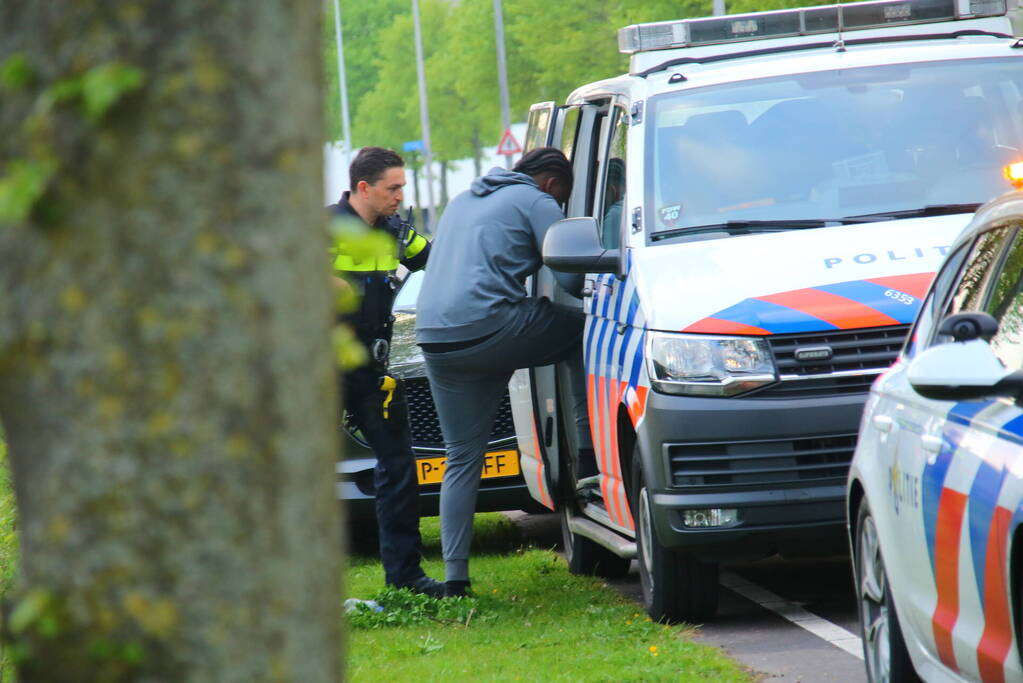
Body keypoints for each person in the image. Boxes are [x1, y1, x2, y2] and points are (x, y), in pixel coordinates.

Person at [415, 147, 591, 597]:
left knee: (461, 456)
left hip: (436, 337)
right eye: (562, 198)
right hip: (490, 325)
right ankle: (588, 455)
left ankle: (456, 580)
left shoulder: (462, 200)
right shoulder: (538, 200)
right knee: (580, 330)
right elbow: (572, 279)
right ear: (552, 183)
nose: (558, 206)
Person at [330, 147, 443, 598]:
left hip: (373, 372)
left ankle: (406, 579)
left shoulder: (395, 232)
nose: (400, 196)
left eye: (402, 188)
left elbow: (439, 261)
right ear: (364, 188)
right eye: (392, 188)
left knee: (398, 468)